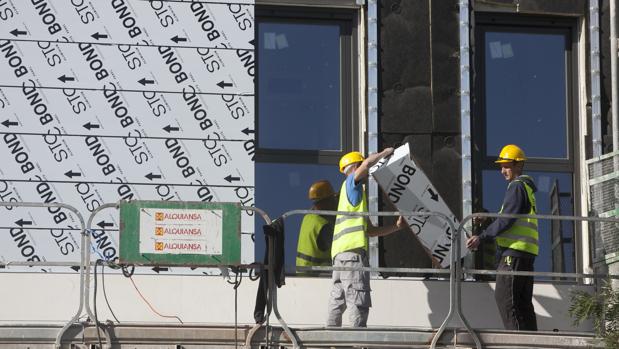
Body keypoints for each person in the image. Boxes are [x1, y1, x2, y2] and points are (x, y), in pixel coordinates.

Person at [327, 149, 405, 327]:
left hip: (340, 257)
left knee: (338, 301)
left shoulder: (351, 199)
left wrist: (396, 227)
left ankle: (330, 342)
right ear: (354, 167)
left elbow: (370, 231)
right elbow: (367, 164)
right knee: (358, 299)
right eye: (361, 166)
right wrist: (386, 152)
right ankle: (358, 341)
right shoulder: (351, 184)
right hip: (353, 256)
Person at [466, 144, 539, 331]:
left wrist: (481, 237)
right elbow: (512, 216)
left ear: (518, 165)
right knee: (522, 304)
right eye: (501, 166)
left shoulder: (516, 187)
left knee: (506, 300)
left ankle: (518, 343)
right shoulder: (526, 189)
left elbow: (507, 220)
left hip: (513, 254)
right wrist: (490, 218)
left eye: (506, 166)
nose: (502, 171)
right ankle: (531, 341)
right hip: (525, 255)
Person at [296, 180, 338, 273]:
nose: (335, 203)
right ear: (326, 201)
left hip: (302, 275)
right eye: (333, 199)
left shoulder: (307, 218)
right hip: (318, 278)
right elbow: (337, 249)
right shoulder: (324, 226)